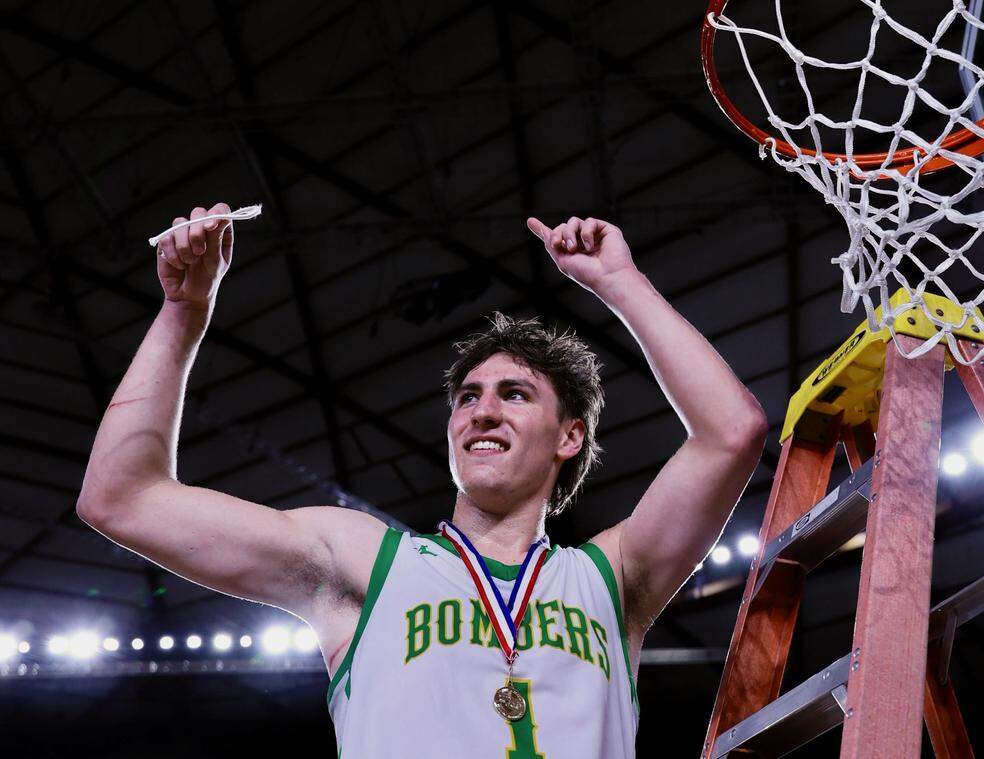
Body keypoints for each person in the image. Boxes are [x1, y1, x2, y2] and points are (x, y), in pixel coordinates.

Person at [77, 203, 769, 758]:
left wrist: (620, 283)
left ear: (569, 437)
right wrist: (184, 314)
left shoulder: (613, 576)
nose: (482, 409)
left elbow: (731, 431)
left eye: (515, 394)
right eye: (467, 396)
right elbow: (121, 497)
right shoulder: (364, 561)